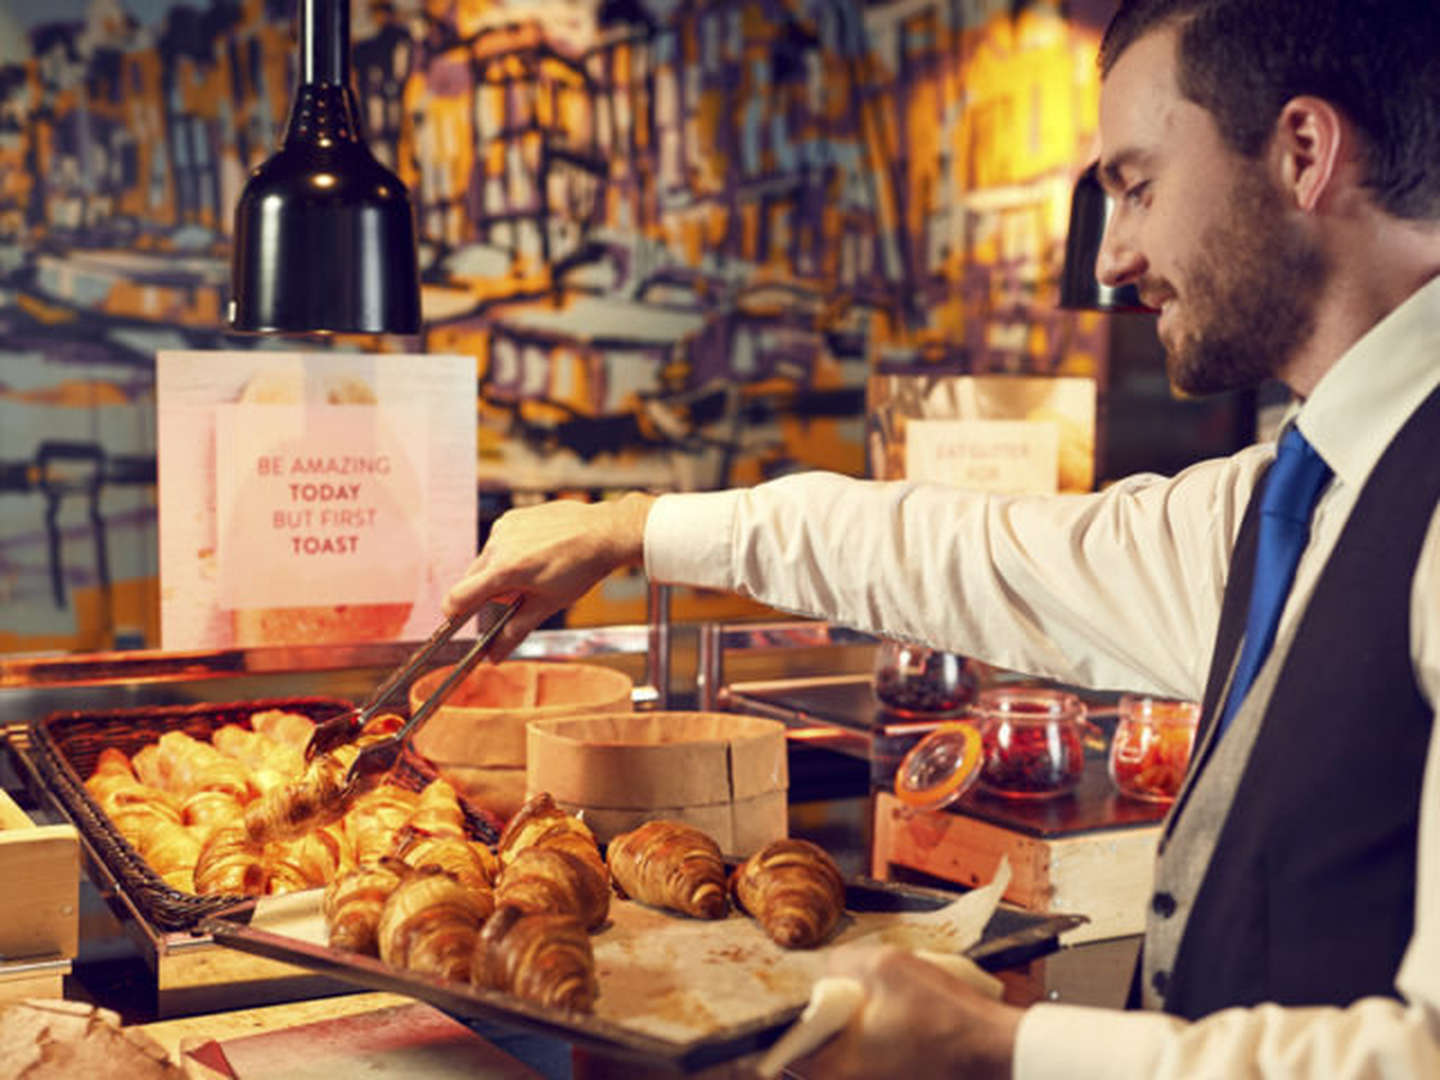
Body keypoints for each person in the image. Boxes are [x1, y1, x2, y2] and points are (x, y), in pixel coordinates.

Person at [444, 0, 1440, 1074]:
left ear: (1302, 152)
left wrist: (1004, 1048)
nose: (1113, 261)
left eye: (1139, 187)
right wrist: (630, 528)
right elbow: (974, 551)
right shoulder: (1305, 492)